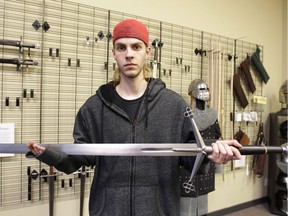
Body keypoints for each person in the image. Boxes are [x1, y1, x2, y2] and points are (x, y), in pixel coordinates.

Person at [27, 19, 242, 216]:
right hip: (109, 210)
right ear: (114, 53)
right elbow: (80, 157)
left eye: (136, 47)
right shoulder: (94, 108)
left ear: (147, 52)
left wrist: (211, 152)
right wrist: (50, 155)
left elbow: (190, 153)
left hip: (160, 210)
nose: (129, 54)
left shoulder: (173, 105)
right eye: (122, 47)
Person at [180, 79, 221, 216]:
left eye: (206, 89)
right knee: (186, 206)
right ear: (191, 94)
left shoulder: (213, 114)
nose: (204, 93)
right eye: (201, 90)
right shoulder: (186, 115)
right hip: (187, 165)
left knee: (202, 202)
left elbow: (217, 139)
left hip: (206, 164)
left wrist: (217, 164)